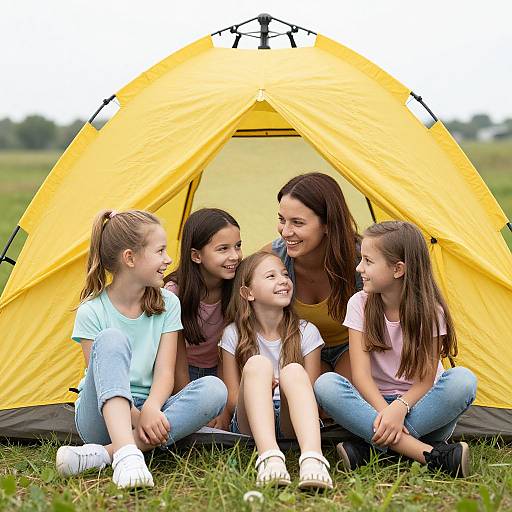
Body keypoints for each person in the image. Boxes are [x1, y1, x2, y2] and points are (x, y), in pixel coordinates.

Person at [55, 210, 228, 489]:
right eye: (160, 251)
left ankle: (104, 455)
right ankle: (126, 456)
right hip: (101, 415)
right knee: (112, 338)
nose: (168, 260)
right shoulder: (92, 311)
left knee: (214, 389)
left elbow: (164, 372)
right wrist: (136, 417)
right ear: (130, 258)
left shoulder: (168, 303)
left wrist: (150, 408)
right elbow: (99, 382)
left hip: (151, 406)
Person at [314, 221, 477, 477]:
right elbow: (361, 376)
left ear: (398, 269)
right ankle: (430, 455)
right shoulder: (359, 304)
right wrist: (385, 412)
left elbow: (425, 379)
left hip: (422, 408)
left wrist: (399, 409)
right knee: (326, 384)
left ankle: (372, 451)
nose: (359, 268)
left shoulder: (430, 312)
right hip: (373, 408)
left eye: (368, 261)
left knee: (463, 381)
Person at [219, 251, 333, 490]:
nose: (283, 280)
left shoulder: (306, 332)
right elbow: (231, 399)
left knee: (293, 371)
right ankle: (269, 458)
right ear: (247, 293)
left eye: (284, 274)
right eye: (271, 276)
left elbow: (312, 395)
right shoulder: (233, 334)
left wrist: (282, 386)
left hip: (295, 419)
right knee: (258, 365)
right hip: (251, 419)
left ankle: (313, 459)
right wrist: (257, 387)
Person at [265, 172, 362, 380]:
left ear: (327, 224)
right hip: (302, 348)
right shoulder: (272, 258)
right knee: (314, 396)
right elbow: (231, 280)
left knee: (339, 395)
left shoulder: (361, 261)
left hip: (353, 346)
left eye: (298, 223)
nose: (285, 232)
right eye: (282, 220)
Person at [164, 208, 242, 390]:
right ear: (196, 256)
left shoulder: (239, 286)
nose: (235, 256)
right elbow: (176, 360)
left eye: (238, 245)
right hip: (182, 372)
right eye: (223, 249)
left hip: (227, 371)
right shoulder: (174, 293)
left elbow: (230, 348)